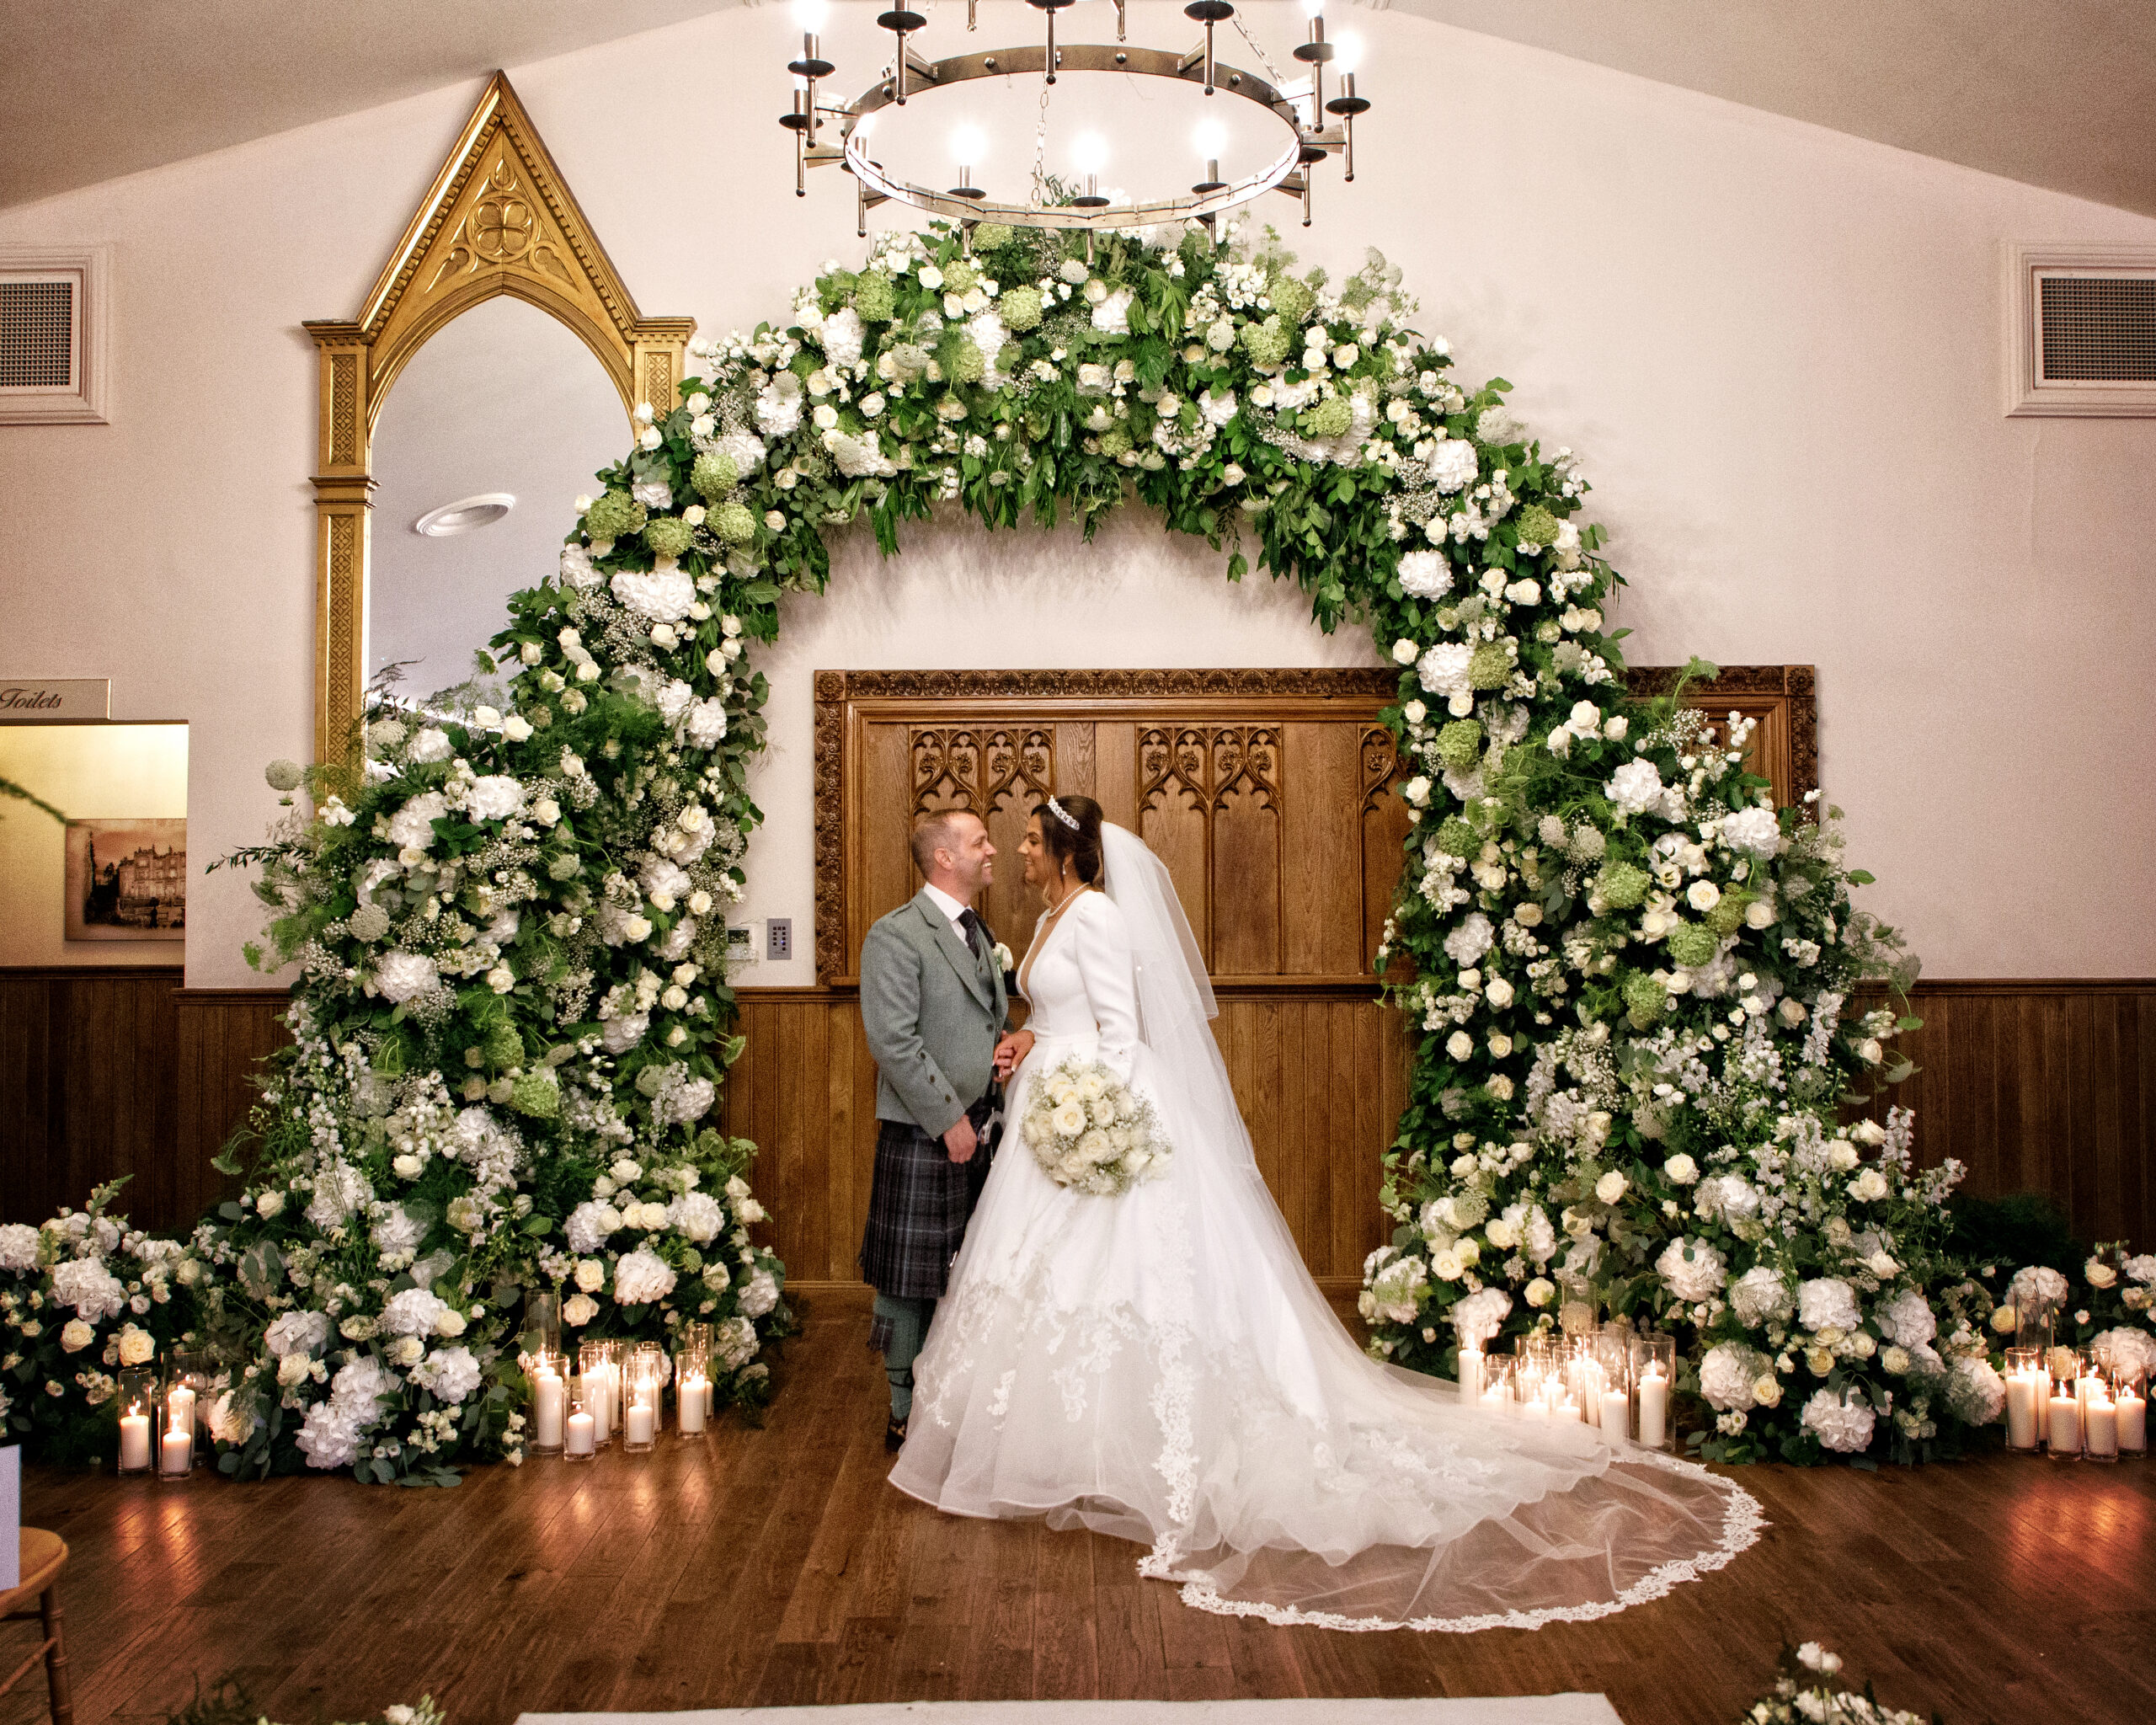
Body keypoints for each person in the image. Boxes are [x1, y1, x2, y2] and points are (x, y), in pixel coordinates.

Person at [889, 794, 1764, 1632]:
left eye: (1032, 839)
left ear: (1067, 846)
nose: (1019, 851)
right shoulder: (1045, 922)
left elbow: (1122, 1033)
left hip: (1098, 1118)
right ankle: (1055, 1442)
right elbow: (1062, 1010)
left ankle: (1143, 1445)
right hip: (1049, 1120)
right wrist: (1035, 1038)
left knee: (1131, 1281)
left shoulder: (1103, 917)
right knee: (1044, 1283)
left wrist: (1098, 1116)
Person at [857, 809, 1018, 1451]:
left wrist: (1004, 1047)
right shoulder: (895, 935)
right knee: (907, 1276)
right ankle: (903, 1405)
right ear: (945, 858)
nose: (994, 851)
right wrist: (948, 1118)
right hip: (926, 1130)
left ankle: (959, 1394)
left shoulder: (980, 931)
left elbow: (975, 1020)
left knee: (968, 1268)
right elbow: (893, 1042)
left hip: (986, 1125)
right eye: (980, 841)